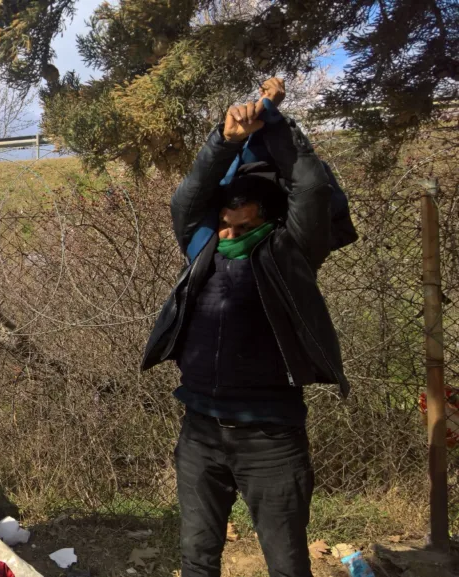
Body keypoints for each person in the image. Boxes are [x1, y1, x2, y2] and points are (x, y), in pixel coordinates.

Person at [141, 78, 351, 577]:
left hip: (270, 436)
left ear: (269, 214)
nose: (231, 216)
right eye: (226, 210)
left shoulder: (291, 251)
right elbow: (187, 197)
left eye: (244, 209)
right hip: (200, 431)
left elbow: (311, 185)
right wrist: (226, 140)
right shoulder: (201, 247)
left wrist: (272, 121)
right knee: (196, 557)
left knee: (286, 563)